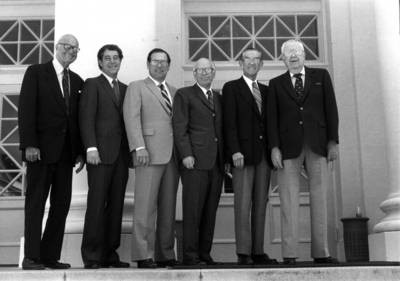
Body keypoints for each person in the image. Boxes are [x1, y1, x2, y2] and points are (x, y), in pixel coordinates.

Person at [267, 39, 339, 265]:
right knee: (288, 200)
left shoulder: (321, 77)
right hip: (288, 149)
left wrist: (333, 141)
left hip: (317, 145)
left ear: (304, 54)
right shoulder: (276, 83)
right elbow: (271, 119)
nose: (293, 56)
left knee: (320, 198)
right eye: (288, 53)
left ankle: (322, 252)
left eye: (297, 51)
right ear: (283, 59)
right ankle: (289, 254)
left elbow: (331, 110)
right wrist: (274, 147)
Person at [18, 34, 84, 270]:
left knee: (61, 206)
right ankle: (31, 257)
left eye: (76, 49)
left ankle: (49, 256)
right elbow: (26, 110)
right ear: (56, 47)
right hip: (41, 152)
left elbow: (77, 120)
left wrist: (80, 152)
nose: (71, 51)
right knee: (36, 204)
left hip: (66, 155)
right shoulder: (36, 72)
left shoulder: (77, 81)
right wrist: (29, 144)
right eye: (67, 46)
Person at [123, 48, 179, 268]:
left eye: (164, 62)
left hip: (172, 156)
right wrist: (138, 147)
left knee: (168, 207)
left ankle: (165, 253)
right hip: (148, 154)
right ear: (148, 64)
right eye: (155, 61)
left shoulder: (175, 91)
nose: (160, 65)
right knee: (145, 207)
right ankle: (142, 254)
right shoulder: (137, 87)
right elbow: (131, 117)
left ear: (168, 65)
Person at [222, 48, 278, 265]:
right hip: (242, 156)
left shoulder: (266, 90)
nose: (252, 62)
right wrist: (234, 150)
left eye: (256, 59)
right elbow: (229, 122)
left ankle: (258, 250)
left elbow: (271, 122)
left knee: (260, 204)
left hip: (263, 156)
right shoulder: (231, 88)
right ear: (240, 63)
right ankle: (243, 252)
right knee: (243, 203)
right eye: (247, 58)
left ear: (261, 64)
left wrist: (274, 149)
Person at [80, 44, 130, 269]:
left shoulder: (127, 89)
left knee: (117, 206)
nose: (112, 61)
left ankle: (110, 254)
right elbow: (86, 118)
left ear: (121, 60)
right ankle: (91, 255)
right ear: (100, 62)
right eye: (107, 58)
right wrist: (91, 148)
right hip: (99, 156)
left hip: (120, 156)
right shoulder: (93, 84)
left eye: (116, 58)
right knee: (97, 205)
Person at [172, 58, 223, 266]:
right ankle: (191, 256)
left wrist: (225, 158)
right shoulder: (184, 95)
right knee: (192, 211)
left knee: (210, 211)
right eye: (200, 70)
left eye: (208, 69)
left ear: (213, 73)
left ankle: (204, 253)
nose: (204, 73)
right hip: (194, 161)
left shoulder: (219, 97)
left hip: (216, 163)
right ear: (194, 73)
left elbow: (221, 129)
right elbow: (179, 127)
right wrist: (186, 154)